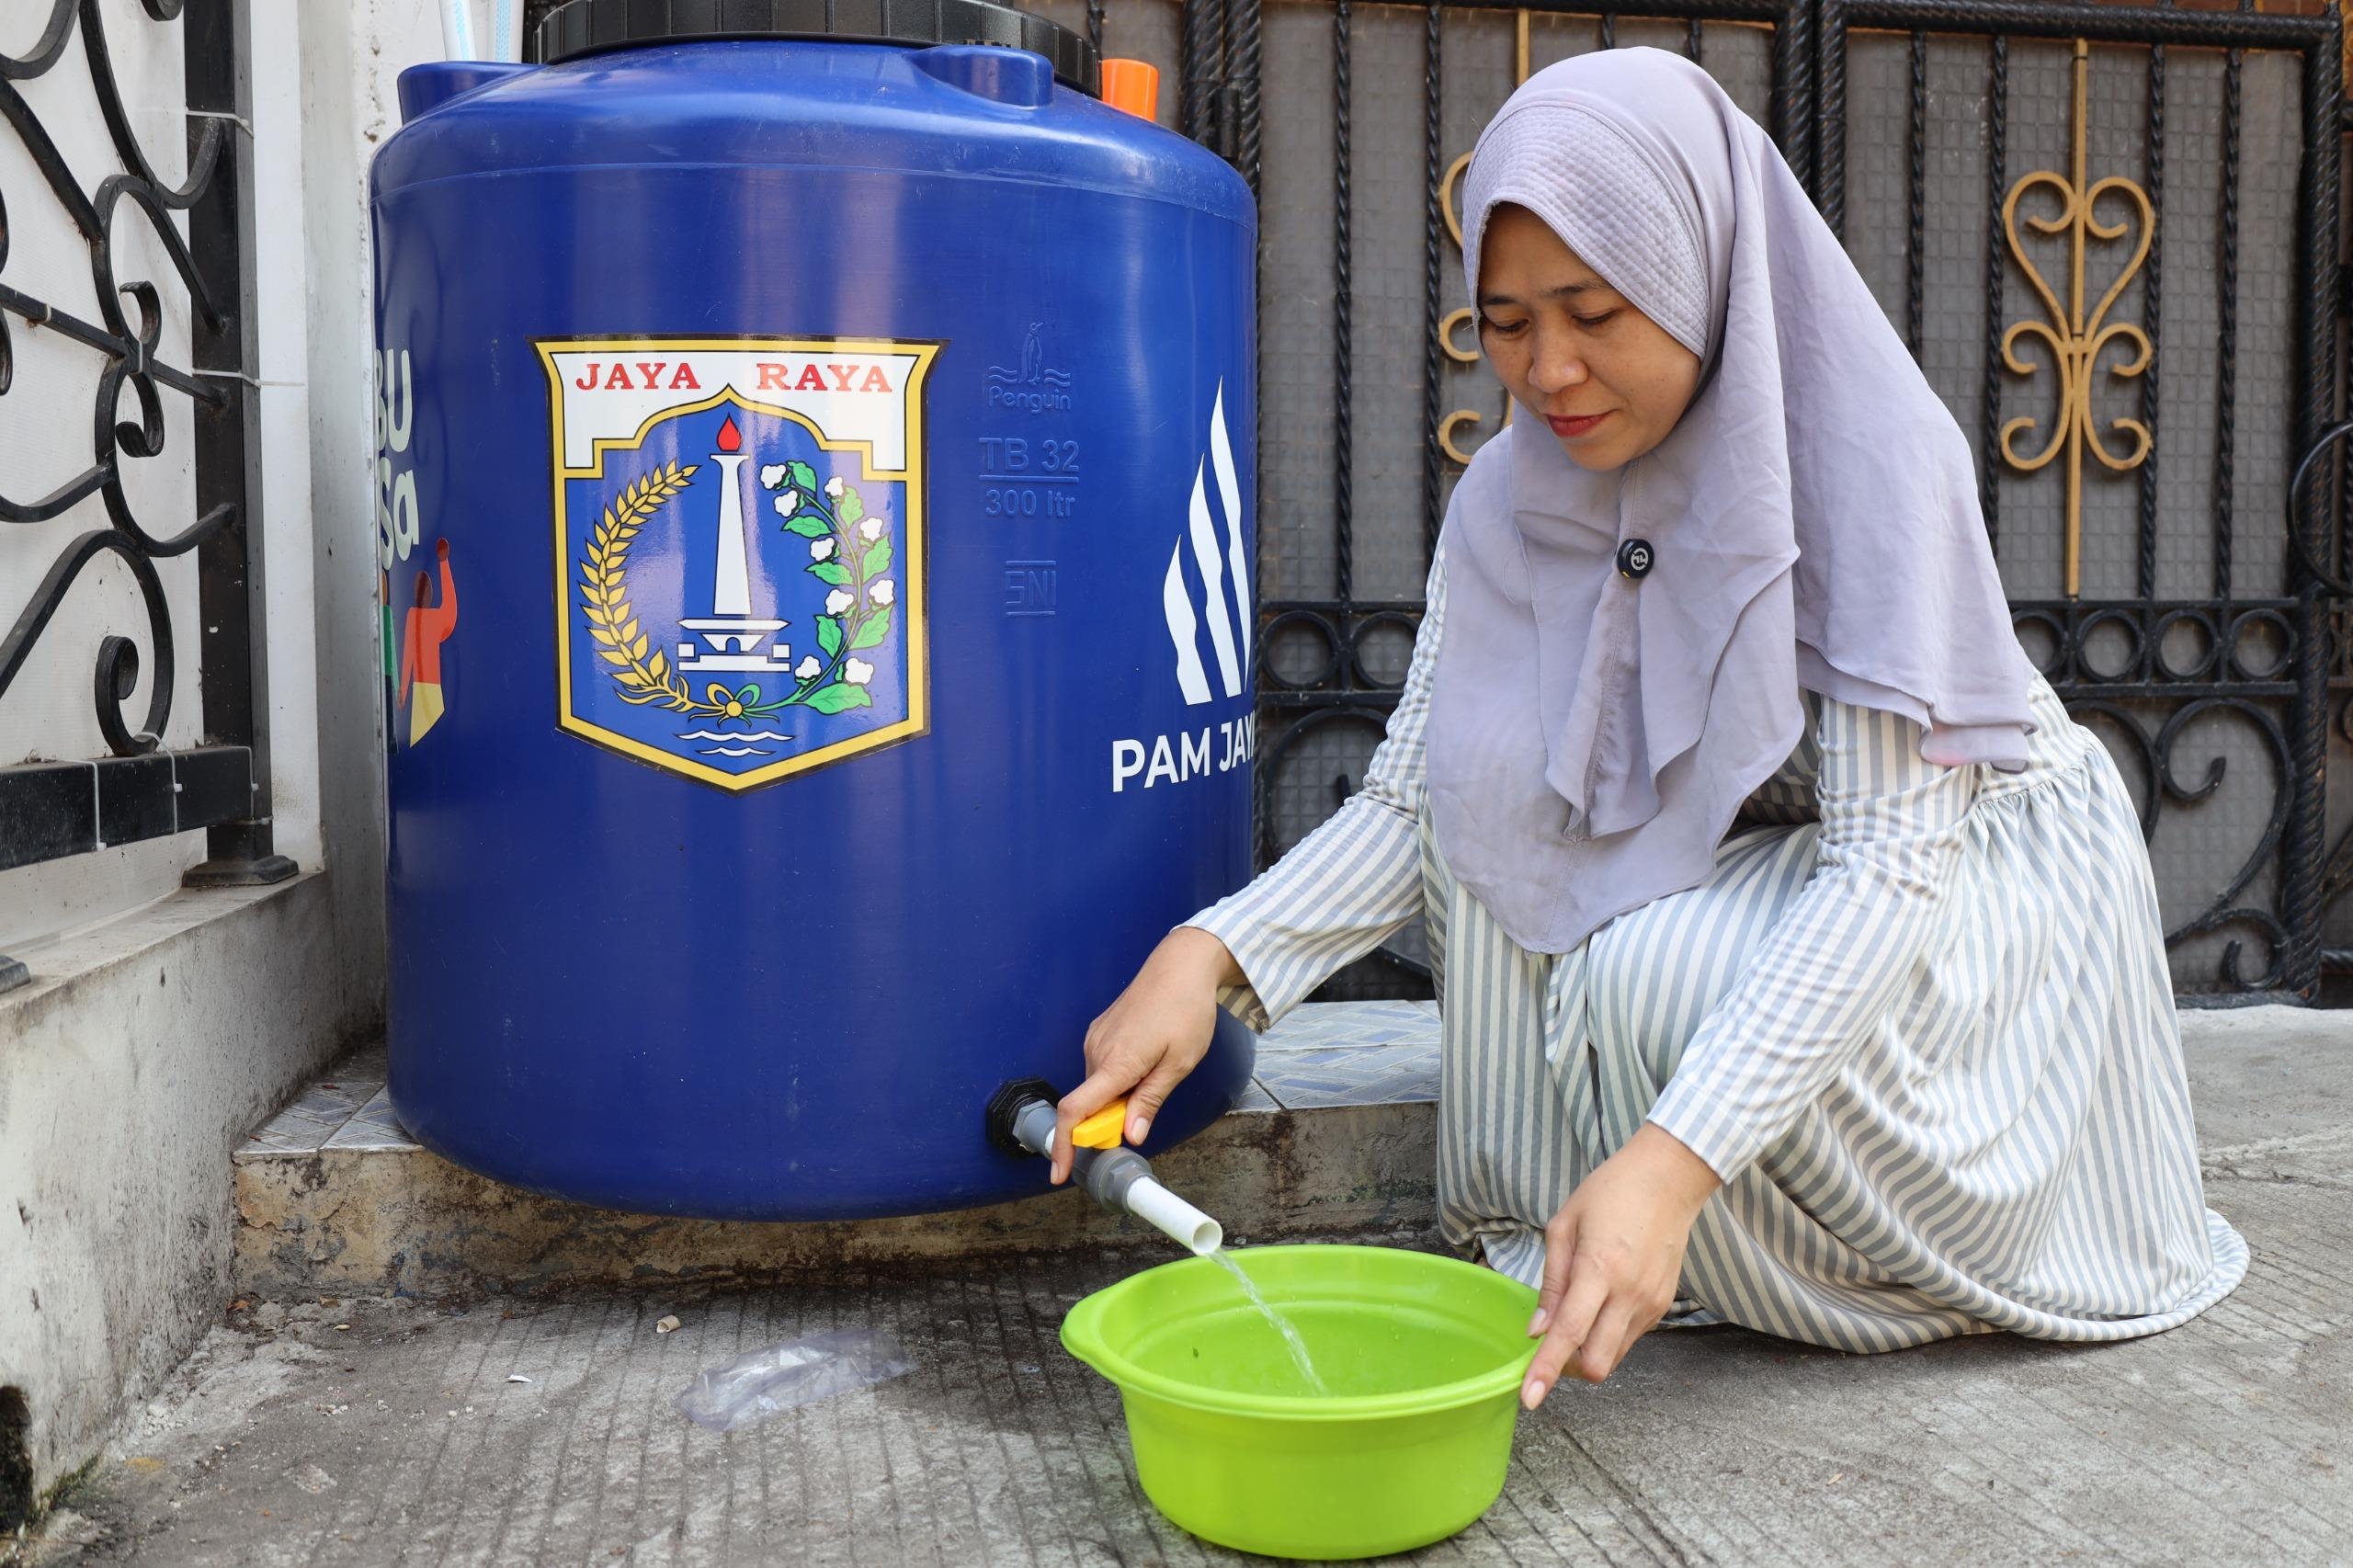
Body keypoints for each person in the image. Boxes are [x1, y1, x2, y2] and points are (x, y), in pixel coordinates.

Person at [1050, 47, 2245, 1412]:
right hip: (1756, 857)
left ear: (1698, 272)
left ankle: (1761, 1256)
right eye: (1506, 323)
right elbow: (1418, 805)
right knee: (1502, 827)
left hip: (1966, 882)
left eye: (1597, 311)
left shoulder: (1861, 461)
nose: (1549, 370)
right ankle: (1552, 1241)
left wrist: (1673, 1161)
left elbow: (1886, 871)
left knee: (1650, 977)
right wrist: (1209, 958)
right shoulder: (1513, 496)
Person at [398, 538, 459, 745]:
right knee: (421, 736)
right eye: (420, 588)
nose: (424, 593)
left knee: (427, 736)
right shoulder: (414, 616)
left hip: (430, 690)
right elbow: (407, 655)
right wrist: (403, 691)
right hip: (424, 689)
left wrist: (443, 564)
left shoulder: (424, 618)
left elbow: (450, 610)